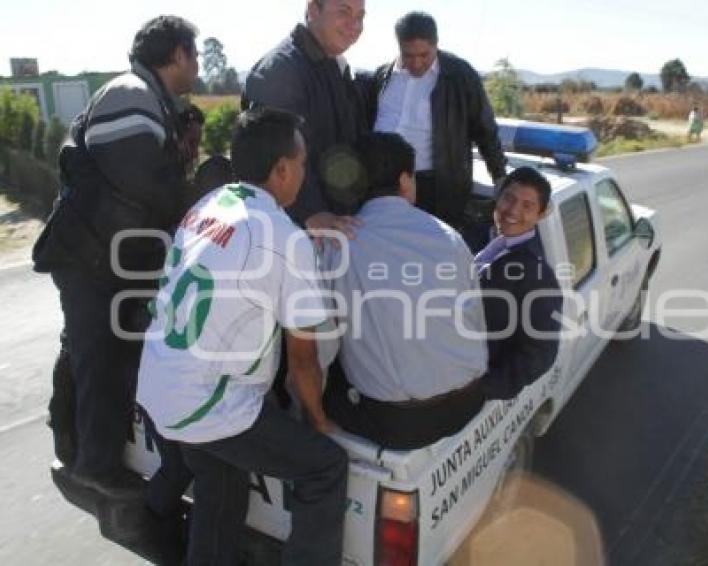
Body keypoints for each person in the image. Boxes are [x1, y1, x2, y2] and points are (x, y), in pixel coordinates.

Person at [137, 108, 348, 566]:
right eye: (304, 162)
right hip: (206, 402)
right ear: (282, 169)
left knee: (222, 482)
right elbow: (303, 362)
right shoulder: (285, 239)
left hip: (159, 382)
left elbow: (242, 250)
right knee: (325, 467)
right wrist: (317, 421)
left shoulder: (210, 205)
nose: (304, 173)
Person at [32, 15, 199, 497]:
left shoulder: (151, 99)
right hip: (90, 256)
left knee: (95, 353)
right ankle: (94, 466)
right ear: (178, 55)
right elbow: (143, 182)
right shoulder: (130, 94)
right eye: (194, 54)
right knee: (96, 356)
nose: (196, 67)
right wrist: (198, 198)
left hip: (103, 255)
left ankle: (77, 446)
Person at [321, 132, 488, 450]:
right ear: (405, 180)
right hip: (470, 400)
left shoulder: (337, 245)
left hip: (402, 424)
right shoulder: (450, 237)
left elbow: (321, 345)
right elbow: (474, 317)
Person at [365, 11, 507, 229]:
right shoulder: (382, 77)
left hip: (437, 189)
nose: (416, 63)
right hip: (383, 187)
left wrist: (499, 176)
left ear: (436, 45)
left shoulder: (460, 75)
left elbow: (485, 129)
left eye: (424, 55)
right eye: (408, 55)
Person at [242, 0, 368, 236]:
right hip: (294, 234)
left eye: (361, 16)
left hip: (337, 227)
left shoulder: (334, 66)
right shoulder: (280, 70)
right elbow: (274, 155)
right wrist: (311, 212)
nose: (355, 25)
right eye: (344, 12)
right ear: (312, 10)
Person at [476, 167, 562, 400]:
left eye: (527, 205)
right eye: (509, 198)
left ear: (541, 214)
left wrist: (482, 388)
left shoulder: (537, 274)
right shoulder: (483, 238)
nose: (513, 210)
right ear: (498, 197)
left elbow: (541, 352)